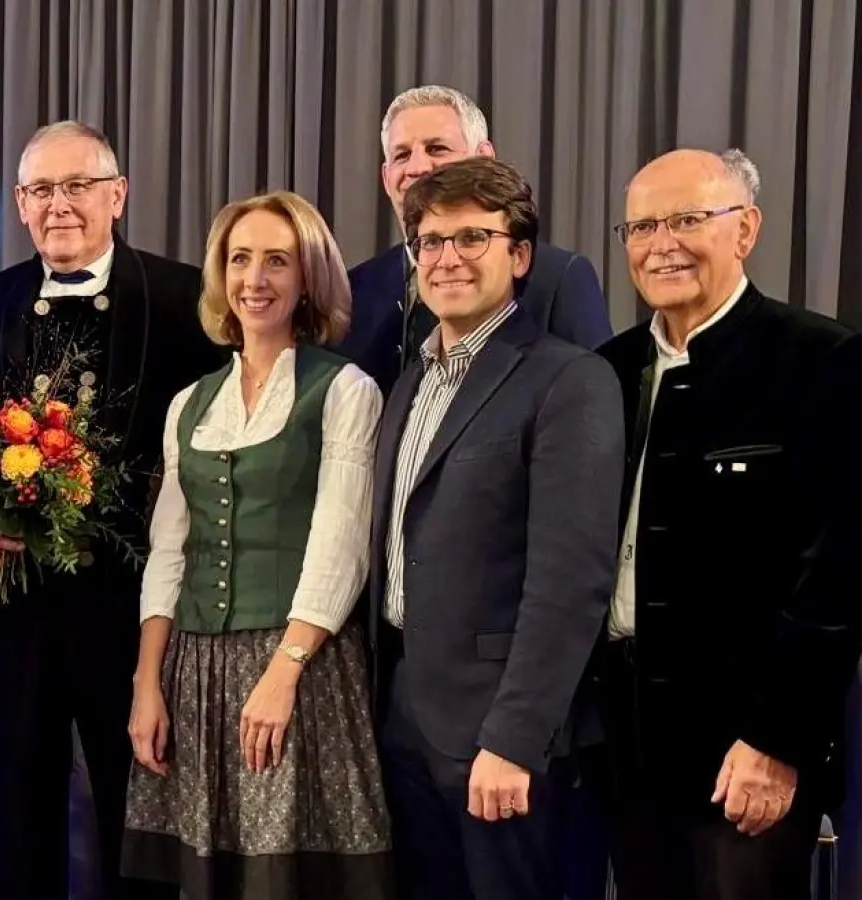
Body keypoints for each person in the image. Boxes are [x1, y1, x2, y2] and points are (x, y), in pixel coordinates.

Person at [0, 120, 226, 900]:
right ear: (19, 204)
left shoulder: (184, 299)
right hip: (17, 614)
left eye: (77, 186)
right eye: (40, 190)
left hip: (133, 616)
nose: (58, 205)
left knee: (136, 814)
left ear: (117, 195)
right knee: (16, 810)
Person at [594, 148, 862, 900]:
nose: (661, 245)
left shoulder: (822, 359)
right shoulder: (606, 370)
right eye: (641, 226)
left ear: (745, 229)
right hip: (625, 742)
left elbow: (839, 574)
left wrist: (777, 740)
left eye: (686, 219)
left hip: (747, 745)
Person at [120, 190, 395, 899]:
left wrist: (283, 672)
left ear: (308, 278)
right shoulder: (189, 403)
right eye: (240, 259)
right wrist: (147, 683)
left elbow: (340, 546)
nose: (255, 279)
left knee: (285, 879)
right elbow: (169, 553)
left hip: (297, 660)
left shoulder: (344, 390)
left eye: (278, 261)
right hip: (194, 667)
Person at [368, 156, 624, 900]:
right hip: (404, 715)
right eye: (430, 241)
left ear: (518, 256)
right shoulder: (409, 383)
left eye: (472, 238)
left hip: (499, 733)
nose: (446, 257)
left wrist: (513, 739)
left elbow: (569, 584)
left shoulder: (567, 379)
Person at [342, 85, 612, 394]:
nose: (417, 168)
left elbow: (593, 395)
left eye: (437, 149)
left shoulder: (559, 278)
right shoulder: (355, 291)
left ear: (484, 159)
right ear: (386, 177)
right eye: (402, 155)